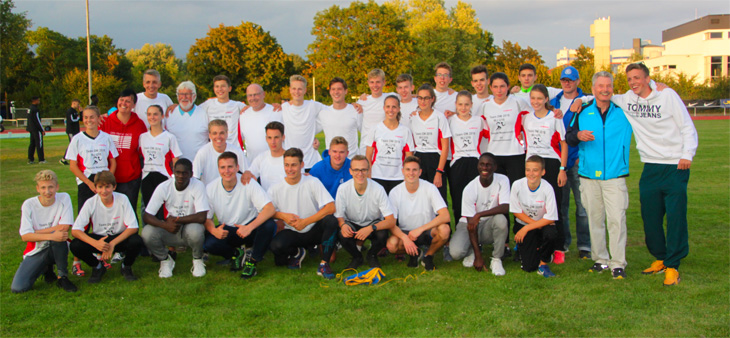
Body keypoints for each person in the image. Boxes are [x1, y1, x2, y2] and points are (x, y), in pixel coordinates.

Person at [611, 63, 697, 286]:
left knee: (676, 217)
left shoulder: (667, 95)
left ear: (648, 78)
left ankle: (673, 265)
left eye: (637, 78)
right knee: (650, 218)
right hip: (650, 167)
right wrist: (581, 99)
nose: (633, 82)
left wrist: (687, 154)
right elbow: (602, 93)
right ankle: (661, 258)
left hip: (675, 166)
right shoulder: (628, 98)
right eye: (630, 79)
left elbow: (687, 126)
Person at [565, 71, 631, 279]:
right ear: (593, 89)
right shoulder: (582, 110)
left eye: (608, 85)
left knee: (616, 220)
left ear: (613, 87)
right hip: (588, 176)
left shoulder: (624, 110)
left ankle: (618, 262)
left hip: (615, 175)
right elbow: (569, 136)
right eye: (600, 86)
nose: (605, 89)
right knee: (595, 219)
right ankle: (600, 259)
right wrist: (578, 135)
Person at [481, 72, 532, 257]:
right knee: (499, 201)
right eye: (495, 87)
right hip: (495, 158)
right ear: (491, 87)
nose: (499, 90)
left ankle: (521, 242)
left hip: (515, 155)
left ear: (508, 87)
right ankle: (505, 243)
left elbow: (534, 115)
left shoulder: (518, 102)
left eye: (502, 86)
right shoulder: (485, 106)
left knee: (518, 200)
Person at [268, 148, 339, 279]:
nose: (290, 169)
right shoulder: (275, 187)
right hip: (292, 230)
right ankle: (297, 252)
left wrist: (305, 221)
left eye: (294, 165)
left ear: (302, 165)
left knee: (331, 220)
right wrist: (282, 216)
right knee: (277, 251)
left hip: (313, 229)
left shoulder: (312, 181)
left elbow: (330, 207)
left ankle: (324, 264)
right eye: (287, 165)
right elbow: (267, 211)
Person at [204, 152, 277, 279]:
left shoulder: (248, 182)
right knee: (208, 243)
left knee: (269, 225)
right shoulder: (211, 188)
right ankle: (235, 253)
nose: (227, 171)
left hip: (250, 229)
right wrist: (213, 230)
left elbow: (270, 209)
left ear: (237, 168)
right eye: (223, 167)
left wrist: (249, 227)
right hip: (229, 230)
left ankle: (252, 262)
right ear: (218, 169)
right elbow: (206, 217)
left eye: (230, 167)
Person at [66, 105, 119, 276]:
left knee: (100, 219)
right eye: (86, 117)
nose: (89, 120)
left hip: (103, 183)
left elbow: (113, 161)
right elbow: (73, 166)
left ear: (98, 119)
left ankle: (99, 256)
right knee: (84, 221)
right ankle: (76, 261)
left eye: (92, 117)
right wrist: (88, 183)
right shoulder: (77, 139)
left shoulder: (106, 138)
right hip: (87, 183)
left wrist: (108, 181)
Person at [522, 84, 568, 263]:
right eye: (533, 98)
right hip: (533, 165)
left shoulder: (554, 118)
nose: (536, 102)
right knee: (535, 205)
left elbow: (564, 144)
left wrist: (562, 169)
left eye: (540, 98)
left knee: (554, 206)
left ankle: (558, 247)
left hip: (551, 163)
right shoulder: (526, 118)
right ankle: (538, 243)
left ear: (547, 99)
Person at [70, 171, 143, 283]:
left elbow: (133, 227)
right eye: (100, 187)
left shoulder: (122, 199)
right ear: (95, 188)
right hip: (100, 239)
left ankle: (126, 266)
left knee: (136, 241)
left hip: (118, 239)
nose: (104, 191)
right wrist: (96, 243)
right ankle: (97, 267)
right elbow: (75, 230)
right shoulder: (90, 202)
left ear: (114, 186)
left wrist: (112, 244)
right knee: (75, 245)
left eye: (107, 187)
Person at [11, 170, 77, 293]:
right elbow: (25, 236)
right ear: (37, 189)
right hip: (37, 249)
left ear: (57, 187)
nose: (47, 192)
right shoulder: (29, 205)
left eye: (51, 187)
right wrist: (49, 234)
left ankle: (62, 277)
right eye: (43, 187)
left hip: (58, 246)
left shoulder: (64, 198)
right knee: (18, 288)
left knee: (59, 237)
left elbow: (64, 227)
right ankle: (46, 269)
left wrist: (36, 232)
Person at [141, 159, 208, 278]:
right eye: (177, 172)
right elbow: (147, 215)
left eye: (185, 173)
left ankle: (197, 259)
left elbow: (201, 216)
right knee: (147, 232)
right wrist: (164, 225)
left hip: (189, 226)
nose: (180, 176)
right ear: (173, 172)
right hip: (170, 228)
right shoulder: (164, 187)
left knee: (196, 231)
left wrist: (177, 220)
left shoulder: (198, 185)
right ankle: (165, 260)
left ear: (191, 174)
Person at [551, 66, 591, 258]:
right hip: (559, 162)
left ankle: (585, 246)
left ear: (577, 81)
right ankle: (564, 242)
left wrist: (581, 100)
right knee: (562, 206)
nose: (567, 83)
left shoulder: (586, 101)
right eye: (564, 80)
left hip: (578, 162)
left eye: (571, 80)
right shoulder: (554, 101)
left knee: (582, 207)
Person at [448, 153, 509, 275]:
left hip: (489, 225)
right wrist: (478, 256)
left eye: (488, 165)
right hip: (469, 225)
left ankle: (496, 259)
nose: (485, 168)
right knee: (455, 253)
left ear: (495, 167)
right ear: (478, 167)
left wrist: (479, 214)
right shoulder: (470, 188)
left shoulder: (503, 180)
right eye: (482, 164)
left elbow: (506, 207)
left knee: (501, 220)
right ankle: (472, 251)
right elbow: (471, 225)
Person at [387, 156, 451, 271]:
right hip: (407, 232)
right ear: (403, 171)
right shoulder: (395, 192)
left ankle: (428, 256)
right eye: (408, 170)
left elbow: (445, 216)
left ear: (420, 172)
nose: (411, 173)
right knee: (391, 245)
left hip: (427, 231)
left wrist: (420, 229)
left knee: (445, 230)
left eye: (414, 170)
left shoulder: (430, 188)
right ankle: (416, 253)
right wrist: (405, 238)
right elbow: (390, 223)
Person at [336, 155, 395, 269]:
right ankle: (357, 257)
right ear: (350, 171)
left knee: (382, 234)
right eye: (356, 170)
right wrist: (343, 225)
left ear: (368, 170)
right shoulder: (343, 189)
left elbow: (391, 221)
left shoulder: (378, 189)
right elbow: (339, 216)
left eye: (363, 169)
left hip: (372, 223)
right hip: (352, 223)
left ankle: (372, 255)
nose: (360, 173)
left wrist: (370, 228)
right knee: (342, 233)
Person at [100, 89, 147, 220]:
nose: (124, 103)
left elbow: (142, 150)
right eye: (121, 100)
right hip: (110, 176)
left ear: (133, 105)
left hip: (130, 177)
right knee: (109, 212)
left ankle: (130, 238)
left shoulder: (139, 124)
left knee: (129, 211)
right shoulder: (105, 122)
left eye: (128, 101)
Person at [510, 155, 560, 278]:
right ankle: (528, 248)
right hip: (525, 224)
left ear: (543, 172)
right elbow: (516, 211)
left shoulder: (547, 188)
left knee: (551, 234)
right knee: (529, 267)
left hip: (542, 225)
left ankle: (543, 263)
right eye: (528, 170)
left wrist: (528, 228)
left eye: (535, 170)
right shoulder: (517, 185)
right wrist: (531, 225)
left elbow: (551, 218)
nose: (531, 173)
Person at [448, 91, 488, 221]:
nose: (463, 108)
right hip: (457, 162)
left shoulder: (479, 121)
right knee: (458, 197)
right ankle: (461, 225)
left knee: (476, 196)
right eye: (460, 104)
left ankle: (476, 225)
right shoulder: (450, 121)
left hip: (475, 162)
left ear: (471, 104)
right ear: (455, 105)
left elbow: (490, 135)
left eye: (466, 104)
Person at [410, 83, 452, 209]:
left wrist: (439, 171)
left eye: (426, 98)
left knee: (438, 200)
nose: (423, 101)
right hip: (419, 159)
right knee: (420, 199)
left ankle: (443, 228)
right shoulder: (413, 117)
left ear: (432, 99)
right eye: (420, 98)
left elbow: (445, 147)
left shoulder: (439, 117)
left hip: (435, 160)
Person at [364, 95, 414, 194]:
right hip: (377, 176)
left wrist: (407, 176)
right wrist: (369, 174)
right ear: (384, 108)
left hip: (398, 177)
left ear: (399, 109)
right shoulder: (375, 129)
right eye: (388, 106)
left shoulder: (405, 131)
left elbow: (409, 157)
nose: (390, 110)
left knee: (396, 208)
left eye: (394, 107)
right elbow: (368, 156)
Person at [139, 104, 182, 221]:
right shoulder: (142, 137)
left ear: (162, 116)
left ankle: (165, 233)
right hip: (147, 177)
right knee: (149, 209)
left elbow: (175, 160)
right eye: (149, 114)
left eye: (155, 114)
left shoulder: (169, 137)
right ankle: (149, 235)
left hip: (164, 176)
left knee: (164, 209)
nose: (152, 117)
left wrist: (175, 178)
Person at [281, 75, 324, 170]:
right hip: (291, 162)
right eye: (294, 88)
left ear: (305, 90)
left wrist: (352, 105)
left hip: (311, 162)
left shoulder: (312, 106)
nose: (297, 92)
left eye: (300, 89)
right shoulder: (284, 108)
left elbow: (333, 110)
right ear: (290, 90)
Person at [193, 119, 248, 186]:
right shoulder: (202, 153)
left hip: (233, 193)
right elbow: (194, 179)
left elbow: (248, 174)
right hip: (209, 194)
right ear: (209, 135)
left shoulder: (237, 152)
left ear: (227, 134)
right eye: (214, 133)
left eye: (221, 133)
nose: (218, 137)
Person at [317, 77, 362, 158]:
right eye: (333, 89)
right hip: (331, 161)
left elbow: (365, 133)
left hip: (351, 161)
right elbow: (310, 130)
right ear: (330, 92)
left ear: (346, 91)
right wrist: (313, 139)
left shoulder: (356, 110)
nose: (336, 92)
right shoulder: (323, 112)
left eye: (339, 89)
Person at [166, 81, 209, 161]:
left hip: (200, 163)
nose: (184, 97)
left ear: (194, 96)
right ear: (177, 96)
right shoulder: (169, 114)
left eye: (188, 94)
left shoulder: (204, 114)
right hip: (177, 165)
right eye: (181, 94)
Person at [239, 83, 283, 162]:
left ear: (263, 94)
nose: (253, 98)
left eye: (256, 94)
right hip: (252, 165)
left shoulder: (276, 111)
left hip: (274, 163)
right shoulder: (243, 115)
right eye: (250, 95)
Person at [199, 75, 246, 146]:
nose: (220, 89)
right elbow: (192, 109)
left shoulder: (238, 106)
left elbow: (254, 108)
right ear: (214, 89)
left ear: (229, 88)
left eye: (223, 86)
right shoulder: (207, 105)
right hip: (215, 150)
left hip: (233, 149)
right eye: (217, 86)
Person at [357, 69, 394, 155]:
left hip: (384, 145)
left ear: (384, 82)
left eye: (378, 82)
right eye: (372, 82)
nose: (375, 85)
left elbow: (407, 97)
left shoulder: (391, 97)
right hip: (366, 146)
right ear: (368, 83)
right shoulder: (362, 101)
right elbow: (359, 124)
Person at [244, 121, 288, 191]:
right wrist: (247, 174)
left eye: (276, 137)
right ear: (266, 139)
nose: (273, 142)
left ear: (283, 137)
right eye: (269, 138)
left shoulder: (292, 158)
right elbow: (249, 174)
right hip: (267, 201)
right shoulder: (261, 158)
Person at [60, 99, 81, 165]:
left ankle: (75, 158)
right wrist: (78, 118)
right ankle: (64, 159)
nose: (78, 106)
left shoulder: (75, 111)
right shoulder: (70, 111)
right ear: (74, 103)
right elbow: (72, 120)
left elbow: (79, 118)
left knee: (75, 145)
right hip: (71, 131)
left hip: (75, 130)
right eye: (77, 104)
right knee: (72, 145)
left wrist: (81, 112)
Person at [26, 96, 45, 164]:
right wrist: (42, 129)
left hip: (31, 129)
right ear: (35, 101)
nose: (39, 102)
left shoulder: (29, 108)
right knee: (39, 143)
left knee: (32, 144)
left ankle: (30, 159)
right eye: (38, 100)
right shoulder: (35, 109)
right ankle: (41, 159)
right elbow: (37, 120)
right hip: (36, 129)